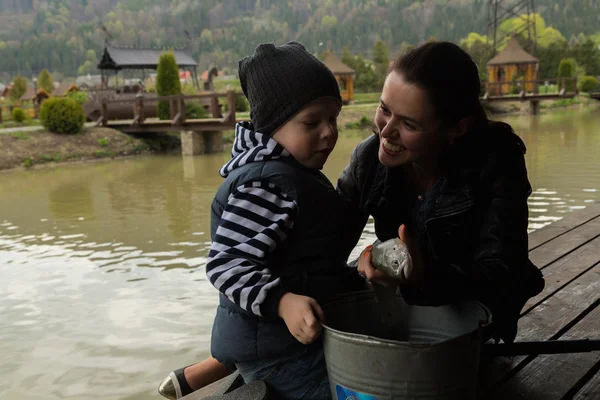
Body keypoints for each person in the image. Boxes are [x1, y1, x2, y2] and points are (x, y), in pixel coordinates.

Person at [159, 40, 545, 398]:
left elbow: (500, 276)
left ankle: (222, 361)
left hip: (468, 314)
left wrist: (424, 276)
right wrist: (297, 296)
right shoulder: (367, 160)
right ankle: (229, 357)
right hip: (388, 304)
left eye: (408, 124)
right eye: (384, 110)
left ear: (455, 129)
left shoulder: (496, 162)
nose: (386, 132)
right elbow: (321, 243)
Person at [159, 41, 363, 400]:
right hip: (276, 353)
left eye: (333, 119)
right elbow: (227, 265)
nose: (329, 132)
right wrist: (282, 302)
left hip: (289, 340)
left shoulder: (291, 174)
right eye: (312, 122)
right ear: (272, 127)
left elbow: (307, 258)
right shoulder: (266, 185)